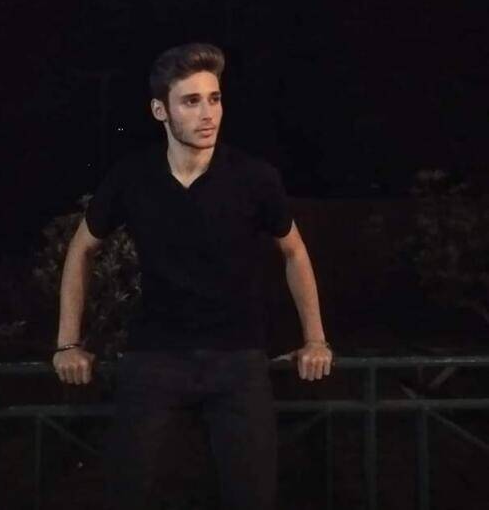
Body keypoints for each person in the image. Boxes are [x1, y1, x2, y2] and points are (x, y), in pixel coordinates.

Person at [52, 42, 333, 510]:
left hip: (238, 358)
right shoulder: (132, 176)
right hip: (154, 356)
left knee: (252, 494)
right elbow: (81, 248)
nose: (208, 114)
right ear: (160, 110)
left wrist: (316, 339)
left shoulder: (254, 177)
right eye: (191, 101)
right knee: (127, 490)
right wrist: (67, 343)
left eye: (215, 98)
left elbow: (294, 252)